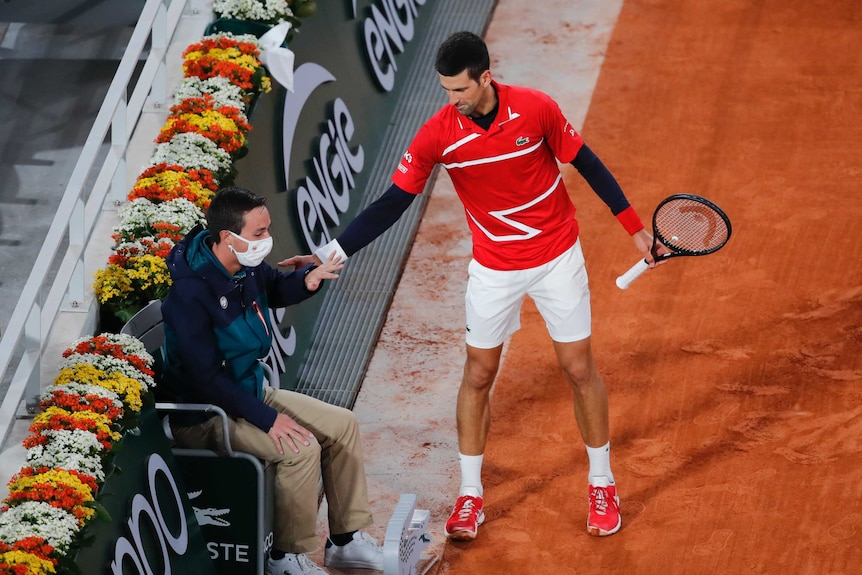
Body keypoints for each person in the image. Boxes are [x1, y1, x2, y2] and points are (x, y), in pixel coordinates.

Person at [313, 31, 661, 540]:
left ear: (485, 78)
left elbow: (587, 163)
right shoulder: (439, 133)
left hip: (557, 257)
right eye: (445, 90)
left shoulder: (536, 109)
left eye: (459, 90)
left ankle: (602, 482)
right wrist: (332, 253)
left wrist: (633, 228)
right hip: (494, 268)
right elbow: (393, 202)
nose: (451, 100)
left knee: (578, 366)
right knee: (478, 373)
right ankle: (471, 495)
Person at [160, 187, 385, 575]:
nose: (267, 240)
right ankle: (286, 557)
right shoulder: (189, 294)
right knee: (300, 448)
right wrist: (268, 419)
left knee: (342, 425)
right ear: (229, 238)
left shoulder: (242, 267)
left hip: (245, 392)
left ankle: (346, 542)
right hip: (204, 415)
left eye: (267, 230)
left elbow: (276, 288)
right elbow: (206, 380)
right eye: (260, 233)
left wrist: (308, 279)